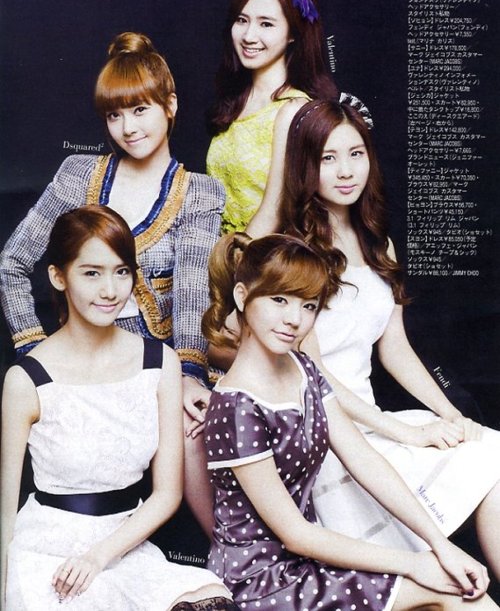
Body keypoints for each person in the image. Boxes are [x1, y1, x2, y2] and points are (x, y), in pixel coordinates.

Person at [201, 231, 498, 611]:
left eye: (309, 306)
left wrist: (440, 546)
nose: (294, 319)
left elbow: (363, 458)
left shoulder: (303, 368)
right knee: (453, 592)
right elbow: (295, 534)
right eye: (279, 300)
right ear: (242, 296)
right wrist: (416, 564)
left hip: (308, 558)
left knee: (459, 586)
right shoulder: (235, 407)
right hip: (260, 582)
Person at [0, 32, 222, 533]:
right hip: (76, 358)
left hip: (150, 365)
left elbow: (191, 292)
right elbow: (12, 262)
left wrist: (189, 372)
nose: (128, 128)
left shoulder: (199, 192)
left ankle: (234, 560)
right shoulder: (79, 175)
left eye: (141, 110)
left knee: (193, 427)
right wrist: (35, 350)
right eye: (114, 115)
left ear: (170, 105)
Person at [276, 98, 500, 572]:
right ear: (306, 165)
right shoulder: (294, 252)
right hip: (329, 435)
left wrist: (451, 415)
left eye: (356, 154)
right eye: (328, 158)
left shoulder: (378, 241)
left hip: (372, 421)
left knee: (491, 450)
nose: (346, 171)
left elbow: (395, 350)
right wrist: (406, 432)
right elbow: (313, 376)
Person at [0, 205, 238, 610]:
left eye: (121, 271)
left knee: (211, 602)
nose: (110, 290)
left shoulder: (159, 362)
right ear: (58, 277)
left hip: (125, 546)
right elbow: (5, 511)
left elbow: (167, 494)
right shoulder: (27, 379)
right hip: (47, 554)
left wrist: (99, 556)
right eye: (91, 273)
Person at [206, 0, 338, 236]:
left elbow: (274, 212)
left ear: (292, 34)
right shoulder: (236, 102)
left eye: (266, 24)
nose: (249, 36)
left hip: (262, 255)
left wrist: (234, 258)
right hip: (221, 250)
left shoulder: (295, 110)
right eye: (242, 20)